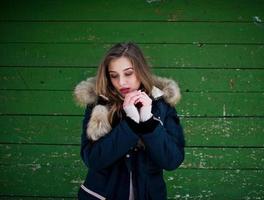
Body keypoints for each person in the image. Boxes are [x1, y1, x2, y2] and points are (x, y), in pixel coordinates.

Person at [74, 42, 185, 200]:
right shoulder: (99, 105)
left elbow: (172, 160)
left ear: (141, 71)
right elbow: (93, 159)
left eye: (128, 73)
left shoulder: (162, 104)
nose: (121, 82)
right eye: (114, 75)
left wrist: (148, 122)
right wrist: (131, 124)